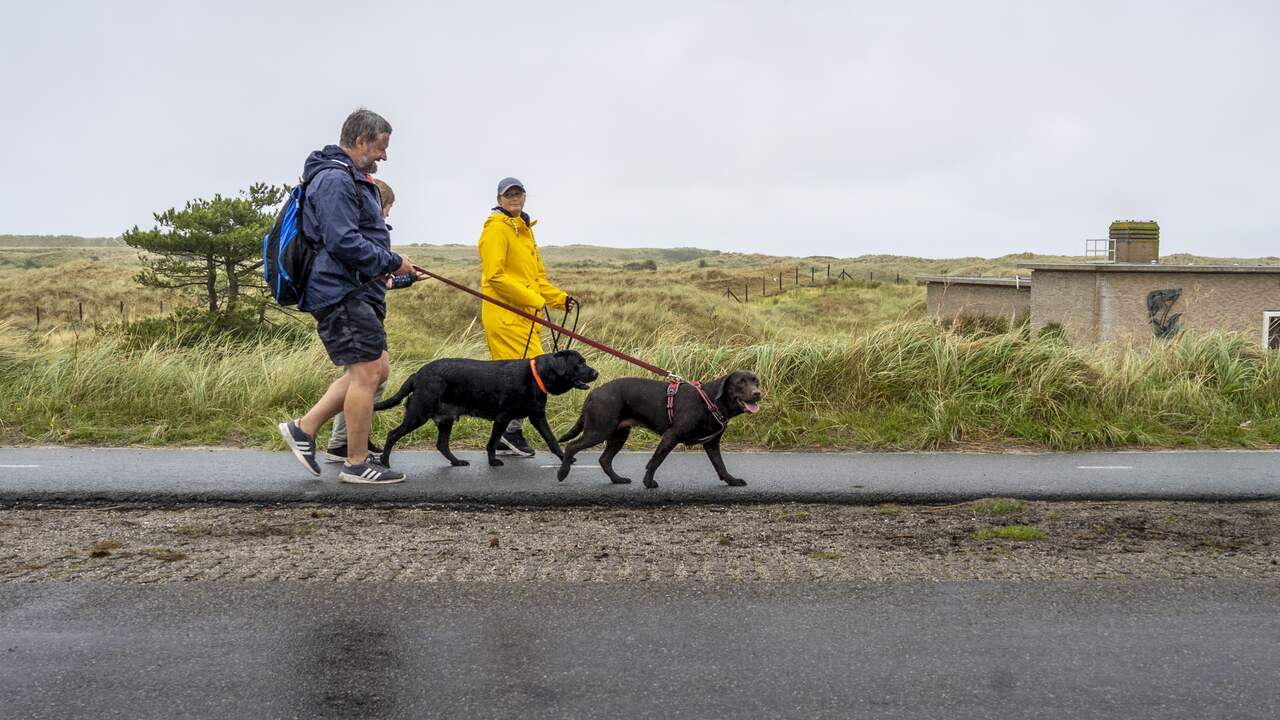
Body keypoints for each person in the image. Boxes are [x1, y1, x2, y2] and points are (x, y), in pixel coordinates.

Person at [278, 108, 423, 484]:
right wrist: (392, 261)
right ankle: (356, 463)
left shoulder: (350, 178)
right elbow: (343, 241)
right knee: (367, 373)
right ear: (360, 141)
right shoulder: (335, 180)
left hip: (355, 289)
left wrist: (390, 267)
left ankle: (304, 428)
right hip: (340, 291)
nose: (384, 156)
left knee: (379, 367)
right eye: (380, 147)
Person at [477, 177, 576, 457]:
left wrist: (560, 299)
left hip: (525, 317)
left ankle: (507, 435)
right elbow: (494, 277)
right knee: (528, 377)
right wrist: (533, 300)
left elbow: (536, 278)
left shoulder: (524, 230)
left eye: (518, 194)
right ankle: (509, 433)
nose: (514, 198)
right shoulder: (496, 230)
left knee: (526, 377)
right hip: (506, 316)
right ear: (499, 199)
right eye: (509, 195)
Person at [323, 177, 396, 462]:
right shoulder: (363, 233)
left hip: (367, 304)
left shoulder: (365, 233)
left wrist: (403, 277)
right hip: (360, 307)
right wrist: (394, 263)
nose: (388, 215)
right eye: (388, 208)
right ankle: (340, 445)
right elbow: (368, 273)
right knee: (366, 377)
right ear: (379, 203)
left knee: (367, 376)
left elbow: (379, 279)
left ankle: (344, 442)